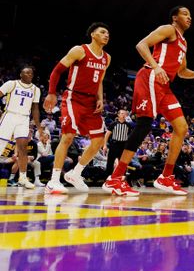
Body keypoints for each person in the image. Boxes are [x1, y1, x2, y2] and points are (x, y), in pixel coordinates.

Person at [104, 6, 194, 196]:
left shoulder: (183, 42)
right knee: (144, 125)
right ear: (174, 17)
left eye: (190, 14)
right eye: (185, 13)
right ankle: (115, 178)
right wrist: (156, 67)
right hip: (150, 77)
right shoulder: (168, 29)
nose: (189, 17)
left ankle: (166, 177)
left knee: (181, 127)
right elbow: (141, 45)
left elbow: (181, 72)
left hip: (164, 86)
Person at [43, 22, 111, 194]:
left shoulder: (107, 58)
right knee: (68, 136)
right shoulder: (79, 50)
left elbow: (99, 80)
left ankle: (75, 173)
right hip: (74, 98)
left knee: (98, 141)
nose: (106, 35)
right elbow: (57, 71)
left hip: (91, 103)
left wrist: (100, 98)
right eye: (102, 32)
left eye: (108, 33)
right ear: (93, 34)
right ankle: (53, 181)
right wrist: (52, 93)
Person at [0, 66, 43, 189]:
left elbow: (35, 109)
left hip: (24, 118)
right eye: (26, 72)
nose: (29, 74)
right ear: (20, 74)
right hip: (9, 115)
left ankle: (22, 178)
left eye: (31, 73)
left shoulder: (36, 90)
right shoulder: (11, 84)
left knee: (23, 148)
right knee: (1, 145)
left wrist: (39, 126)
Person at [105, 109, 133, 178]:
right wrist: (104, 145)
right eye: (122, 113)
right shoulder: (113, 124)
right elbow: (107, 135)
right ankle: (108, 178)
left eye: (125, 114)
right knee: (110, 162)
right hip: (114, 144)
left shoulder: (128, 125)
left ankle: (122, 178)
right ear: (118, 115)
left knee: (123, 162)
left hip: (123, 145)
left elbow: (130, 136)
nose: (123, 115)